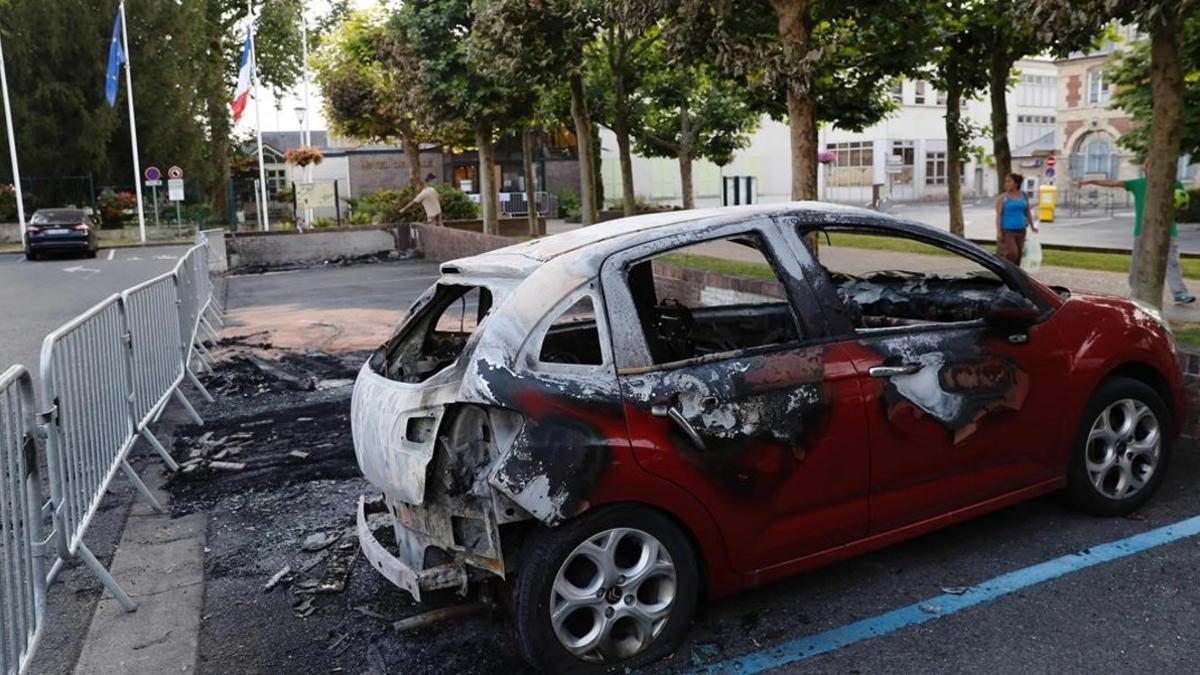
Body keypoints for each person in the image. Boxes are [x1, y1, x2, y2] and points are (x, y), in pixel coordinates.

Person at [1078, 168, 1194, 303]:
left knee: (1171, 262)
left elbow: (1183, 205)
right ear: (1145, 169)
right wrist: (1092, 181)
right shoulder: (1138, 184)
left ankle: (1180, 293)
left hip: (1168, 230)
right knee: (1137, 263)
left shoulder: (1175, 184)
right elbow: (1112, 182)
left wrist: (1178, 204)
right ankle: (1135, 293)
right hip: (1142, 230)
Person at [995, 172, 1038, 265]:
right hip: (1007, 231)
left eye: (1009, 181)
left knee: (1019, 255)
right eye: (1006, 182)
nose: (1006, 184)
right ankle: (1007, 272)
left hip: (1021, 230)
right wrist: (998, 231)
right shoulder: (1002, 198)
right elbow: (998, 215)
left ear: (1016, 183)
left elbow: (1027, 212)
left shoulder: (1023, 196)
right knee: (1012, 253)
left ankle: (1015, 275)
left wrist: (1032, 226)